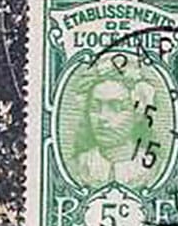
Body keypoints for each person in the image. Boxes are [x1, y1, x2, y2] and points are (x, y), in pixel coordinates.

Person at [68, 55, 161, 189]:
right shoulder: (79, 165)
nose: (102, 118)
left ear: (138, 112)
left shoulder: (151, 167)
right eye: (95, 108)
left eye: (116, 107)